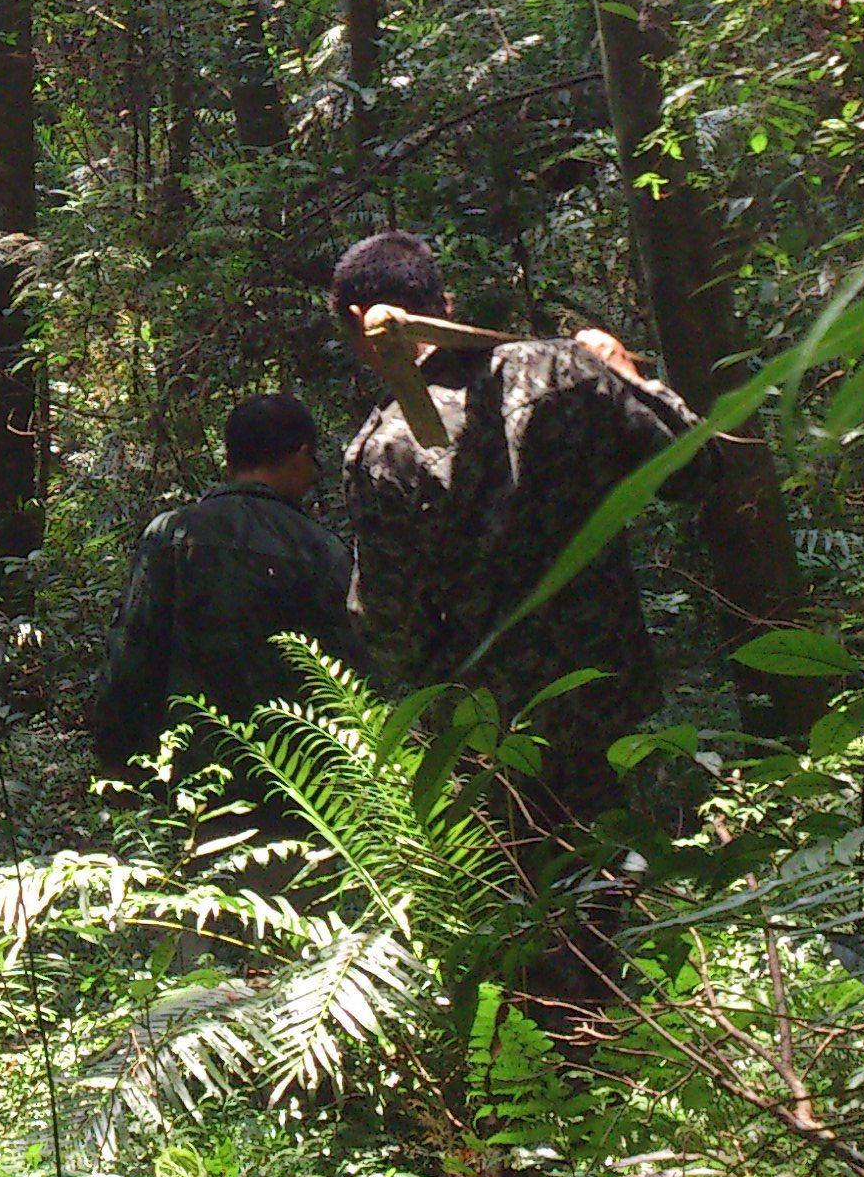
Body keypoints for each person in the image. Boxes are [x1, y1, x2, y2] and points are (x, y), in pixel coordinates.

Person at [330, 227, 696, 826]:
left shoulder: (382, 451)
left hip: (493, 741)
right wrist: (627, 375)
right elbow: (695, 468)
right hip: (613, 703)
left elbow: (389, 624)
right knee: (640, 874)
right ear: (445, 307)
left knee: (536, 902)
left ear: (358, 325)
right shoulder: (569, 372)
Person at [90, 393, 356, 796]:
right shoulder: (323, 551)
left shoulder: (171, 535)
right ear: (301, 455)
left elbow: (132, 654)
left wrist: (116, 763)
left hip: (187, 782)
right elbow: (350, 679)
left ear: (229, 460)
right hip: (297, 790)